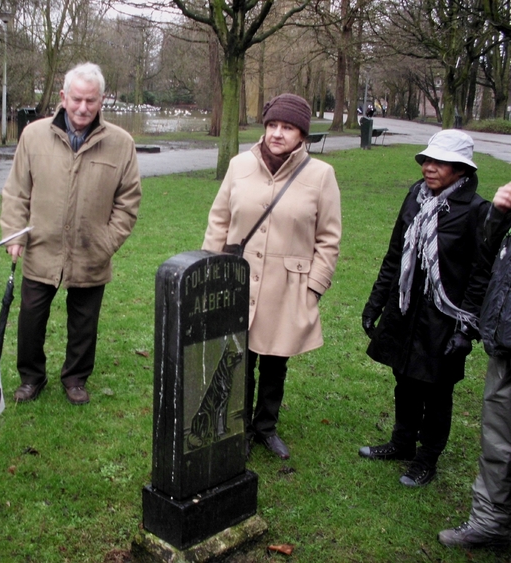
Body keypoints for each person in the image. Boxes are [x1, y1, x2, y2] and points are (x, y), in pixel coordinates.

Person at [202, 93, 342, 460]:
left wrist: (313, 287)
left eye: (288, 127)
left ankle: (266, 426)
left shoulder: (320, 175)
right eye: (273, 125)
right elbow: (219, 220)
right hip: (238, 280)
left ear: (302, 135)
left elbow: (329, 238)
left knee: (276, 361)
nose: (278, 134)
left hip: (287, 285)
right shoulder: (238, 165)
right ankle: (239, 425)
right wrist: (210, 274)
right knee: (238, 357)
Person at [0, 62, 141, 406]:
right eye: (76, 99)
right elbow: (17, 191)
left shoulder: (121, 144)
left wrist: (107, 242)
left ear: (101, 100)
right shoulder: (33, 135)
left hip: (91, 251)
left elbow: (128, 201)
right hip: (41, 247)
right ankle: (31, 377)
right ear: (63, 97)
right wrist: (15, 235)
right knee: (31, 318)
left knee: (84, 322)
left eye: (90, 101)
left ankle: (76, 378)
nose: (82, 108)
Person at [359, 130, 491, 488]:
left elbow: (480, 275)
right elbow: (393, 256)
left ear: (461, 170)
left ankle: (426, 458)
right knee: (404, 379)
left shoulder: (476, 211)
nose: (429, 168)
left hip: (443, 319)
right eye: (427, 161)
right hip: (405, 309)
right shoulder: (414, 198)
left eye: (440, 163)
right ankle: (402, 443)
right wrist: (375, 303)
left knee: (436, 390)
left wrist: (466, 329)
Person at [438, 181, 511, 548]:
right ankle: (490, 522)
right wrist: (498, 215)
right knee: (498, 437)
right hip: (506, 336)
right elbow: (487, 255)